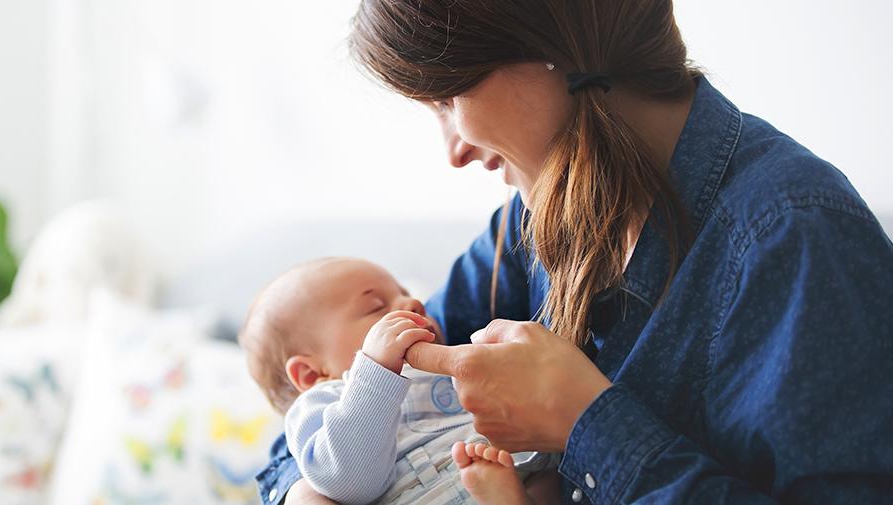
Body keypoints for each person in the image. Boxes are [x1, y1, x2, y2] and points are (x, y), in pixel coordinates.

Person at [256, 0, 893, 503]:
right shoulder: (526, 222)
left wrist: (586, 420)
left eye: (449, 100)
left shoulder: (793, 236)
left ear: (547, 43)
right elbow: (338, 391)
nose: (454, 150)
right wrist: (310, 492)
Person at [240, 257, 559, 505]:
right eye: (376, 307)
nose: (414, 304)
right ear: (312, 374)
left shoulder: (450, 364)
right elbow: (348, 481)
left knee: (547, 471)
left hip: (504, 475)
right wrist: (374, 371)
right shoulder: (322, 405)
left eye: (405, 294)